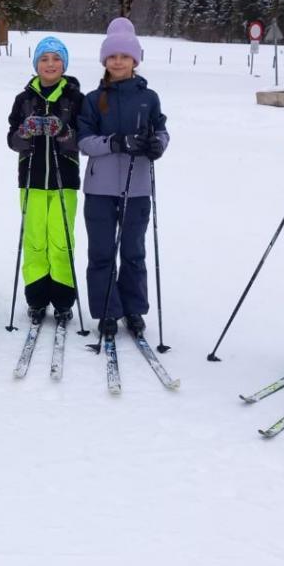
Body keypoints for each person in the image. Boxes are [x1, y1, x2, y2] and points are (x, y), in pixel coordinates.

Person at [78, 18, 167, 340]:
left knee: (133, 251)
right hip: (100, 189)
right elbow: (84, 141)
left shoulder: (149, 98)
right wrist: (114, 143)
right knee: (101, 252)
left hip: (137, 187)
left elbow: (161, 131)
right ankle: (106, 310)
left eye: (125, 56)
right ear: (105, 60)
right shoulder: (93, 98)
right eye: (112, 56)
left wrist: (157, 145)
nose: (118, 62)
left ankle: (133, 309)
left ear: (135, 60)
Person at [7, 36, 85, 327]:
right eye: (44, 59)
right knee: (35, 240)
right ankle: (37, 299)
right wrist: (25, 132)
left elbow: (83, 140)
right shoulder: (24, 99)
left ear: (64, 64)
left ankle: (63, 301)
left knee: (61, 241)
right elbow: (12, 140)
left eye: (56, 59)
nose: (50, 64)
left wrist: (63, 132)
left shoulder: (75, 98)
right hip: (32, 180)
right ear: (36, 64)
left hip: (65, 181)